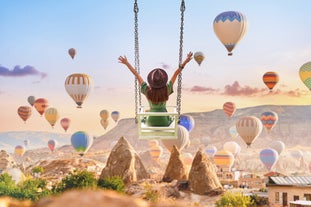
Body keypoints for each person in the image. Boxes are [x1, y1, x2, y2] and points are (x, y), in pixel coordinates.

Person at [118, 52, 193, 127]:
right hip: (164, 122)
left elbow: (136, 74)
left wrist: (126, 63)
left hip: (151, 122)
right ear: (163, 80)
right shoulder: (167, 89)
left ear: (151, 81)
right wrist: (186, 61)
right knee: (171, 119)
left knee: (145, 115)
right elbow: (176, 73)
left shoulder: (147, 90)